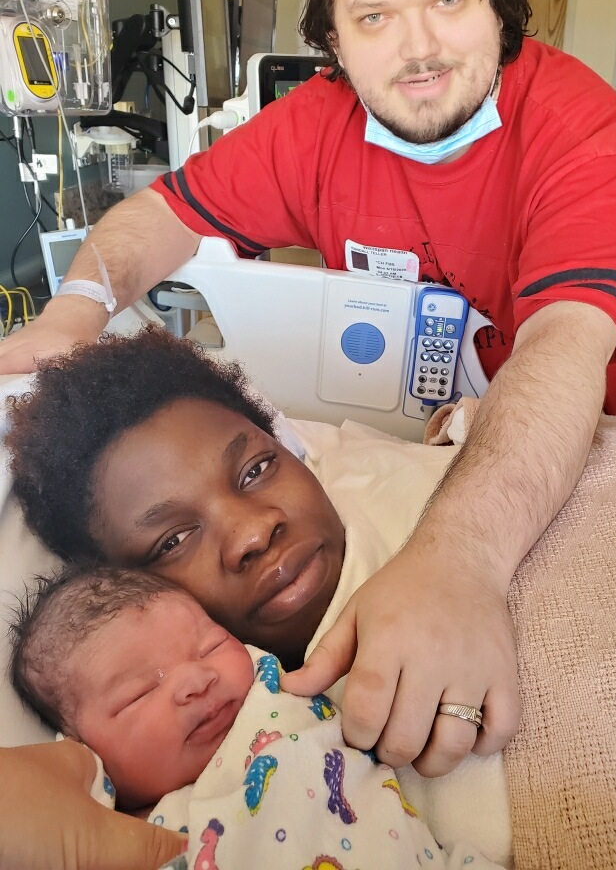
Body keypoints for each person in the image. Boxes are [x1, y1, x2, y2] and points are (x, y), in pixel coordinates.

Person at [0, 0, 616, 784]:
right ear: (331, 37)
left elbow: (564, 342)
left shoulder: (577, 125)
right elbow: (164, 213)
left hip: (604, 436)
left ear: (499, 1)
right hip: (434, 433)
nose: (420, 49)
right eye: (374, 17)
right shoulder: (315, 128)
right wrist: (74, 310)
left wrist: (462, 561)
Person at [5, 326, 511, 864]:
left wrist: (465, 562)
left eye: (257, 469)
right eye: (173, 541)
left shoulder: (464, 488)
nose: (252, 534)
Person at [10, 566, 499, 868]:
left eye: (209, 645)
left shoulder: (274, 687)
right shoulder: (106, 829)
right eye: (139, 693)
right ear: (81, 748)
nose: (195, 678)